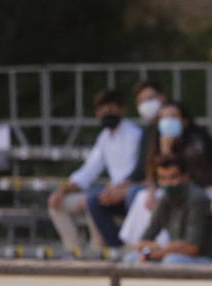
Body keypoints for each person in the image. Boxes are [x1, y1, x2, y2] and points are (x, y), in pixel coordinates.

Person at [47, 89, 143, 250]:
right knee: (57, 203)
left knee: (94, 200)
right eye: (102, 110)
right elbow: (88, 171)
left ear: (122, 110)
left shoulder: (134, 134)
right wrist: (62, 190)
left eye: (111, 109)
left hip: (127, 191)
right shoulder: (105, 137)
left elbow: (133, 173)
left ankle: (105, 250)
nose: (106, 113)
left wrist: (113, 190)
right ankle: (74, 250)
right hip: (111, 192)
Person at [130, 154, 212, 265]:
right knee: (131, 258)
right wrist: (160, 248)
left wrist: (152, 253)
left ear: (185, 177)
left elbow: (192, 248)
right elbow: (142, 242)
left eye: (173, 177)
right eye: (163, 178)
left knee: (172, 261)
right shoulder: (164, 200)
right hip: (178, 255)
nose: (168, 183)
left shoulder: (196, 199)